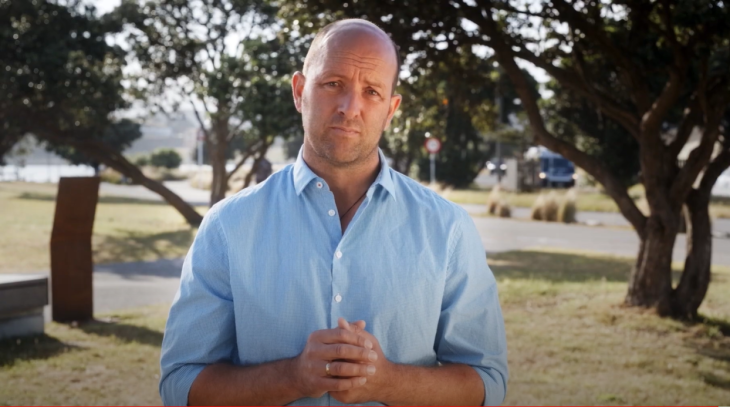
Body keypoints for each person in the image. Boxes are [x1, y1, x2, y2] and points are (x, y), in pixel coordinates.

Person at [160, 18, 508, 406]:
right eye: (333, 84)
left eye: (372, 91)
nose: (350, 107)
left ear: (391, 110)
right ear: (299, 91)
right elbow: (181, 385)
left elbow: (487, 382)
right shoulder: (227, 226)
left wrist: (388, 382)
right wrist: (291, 377)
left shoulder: (448, 229)